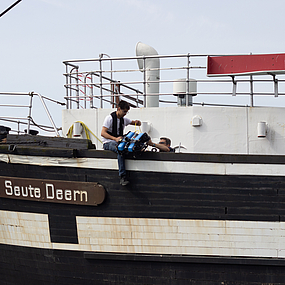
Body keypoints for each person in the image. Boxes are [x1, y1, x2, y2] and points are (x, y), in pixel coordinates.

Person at [101, 100, 141, 186]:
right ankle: (123, 176)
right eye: (124, 111)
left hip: (119, 141)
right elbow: (103, 133)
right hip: (108, 142)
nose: (125, 114)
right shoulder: (109, 118)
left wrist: (137, 123)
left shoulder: (124, 119)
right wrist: (115, 139)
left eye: (127, 112)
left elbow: (133, 122)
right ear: (119, 109)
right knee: (120, 150)